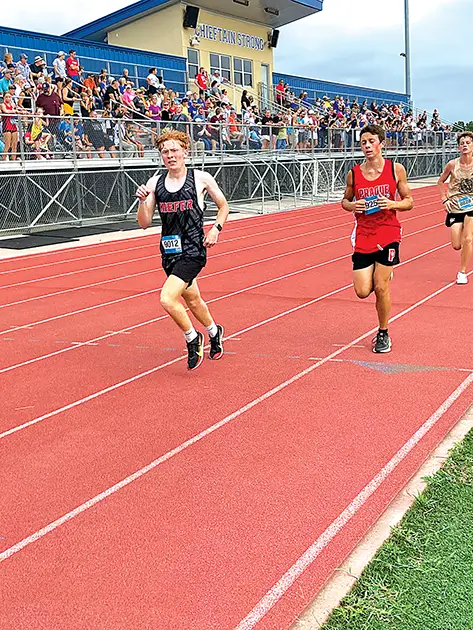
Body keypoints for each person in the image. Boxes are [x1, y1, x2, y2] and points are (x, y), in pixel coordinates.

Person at [135, 130, 229, 370]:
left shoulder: (201, 179)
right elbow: (144, 223)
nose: (170, 155)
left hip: (194, 250)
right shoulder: (155, 183)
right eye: (165, 152)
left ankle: (192, 337)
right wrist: (142, 201)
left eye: (174, 150)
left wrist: (216, 229)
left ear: (185, 152)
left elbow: (223, 206)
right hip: (169, 251)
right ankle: (214, 331)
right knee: (194, 300)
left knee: (167, 299)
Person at [341, 124, 414, 353]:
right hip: (363, 233)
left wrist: (393, 204)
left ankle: (383, 333)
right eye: (363, 142)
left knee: (381, 287)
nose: (367, 146)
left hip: (388, 231)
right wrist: (353, 205)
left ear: (381, 143)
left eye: (371, 141)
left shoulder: (395, 170)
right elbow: (344, 202)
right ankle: (383, 270)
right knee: (362, 290)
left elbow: (409, 200)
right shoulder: (353, 173)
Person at [437, 131, 473, 285]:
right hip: (456, 206)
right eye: (462, 143)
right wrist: (444, 199)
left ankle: (462, 272)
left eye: (468, 142)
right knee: (456, 244)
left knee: (468, 239)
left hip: (472, 205)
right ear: (458, 147)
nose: (465, 145)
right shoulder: (452, 164)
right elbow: (440, 181)